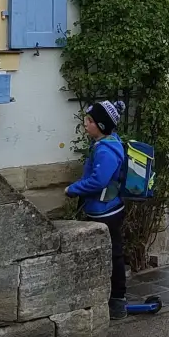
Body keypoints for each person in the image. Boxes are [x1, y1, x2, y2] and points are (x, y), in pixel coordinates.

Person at [65, 100, 129, 318]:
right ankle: (110, 298)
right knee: (109, 253)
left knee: (113, 254)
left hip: (107, 211)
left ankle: (118, 302)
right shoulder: (106, 144)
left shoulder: (106, 151)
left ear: (101, 126)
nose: (85, 123)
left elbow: (98, 181)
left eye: (90, 120)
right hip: (104, 208)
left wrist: (73, 189)